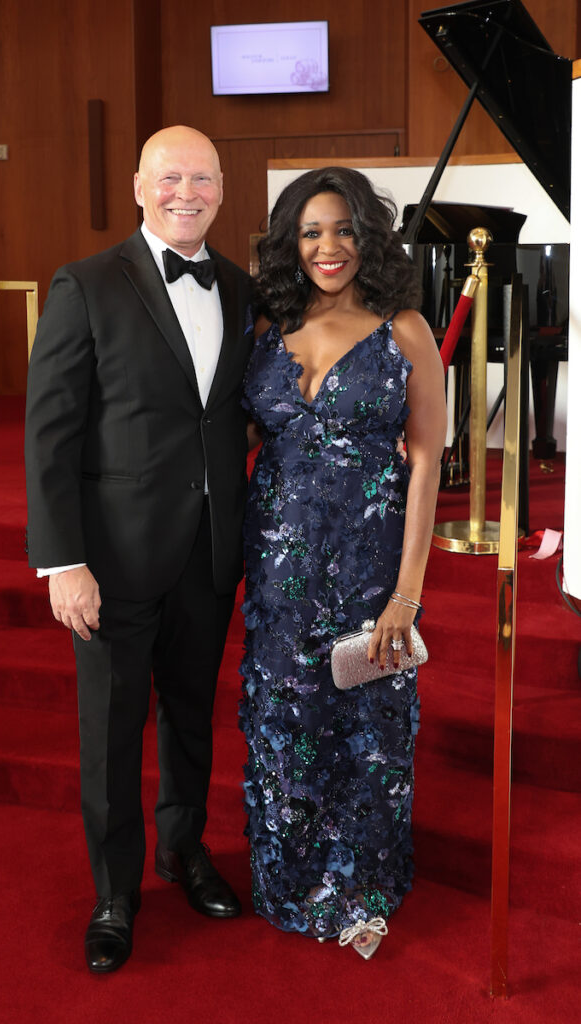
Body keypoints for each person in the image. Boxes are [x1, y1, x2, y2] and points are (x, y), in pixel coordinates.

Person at [25, 126, 254, 974]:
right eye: (169, 178)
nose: (184, 192)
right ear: (137, 186)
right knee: (112, 733)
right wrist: (61, 560)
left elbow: (236, 412)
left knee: (191, 718)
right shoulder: (85, 284)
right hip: (111, 561)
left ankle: (184, 852)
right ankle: (114, 892)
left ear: (223, 188)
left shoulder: (237, 285)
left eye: (201, 178)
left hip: (207, 552)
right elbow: (49, 433)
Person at [240, 167, 446, 958]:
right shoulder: (268, 327)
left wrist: (407, 596)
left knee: (367, 724)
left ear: (369, 237)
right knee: (284, 719)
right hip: (278, 565)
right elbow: (239, 436)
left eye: (344, 230)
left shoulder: (402, 329)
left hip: (368, 565)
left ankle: (360, 881)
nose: (329, 247)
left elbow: (426, 463)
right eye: (312, 232)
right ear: (292, 244)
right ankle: (289, 879)